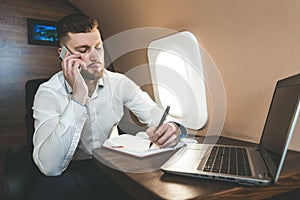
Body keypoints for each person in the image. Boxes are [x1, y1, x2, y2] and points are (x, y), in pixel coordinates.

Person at [30, 13, 186, 200]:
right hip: (72, 171)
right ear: (63, 54)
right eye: (84, 49)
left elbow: (155, 114)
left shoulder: (119, 82)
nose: (95, 56)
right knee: (49, 190)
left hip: (113, 166)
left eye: (98, 47)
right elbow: (50, 167)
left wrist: (172, 127)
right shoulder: (48, 93)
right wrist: (78, 97)